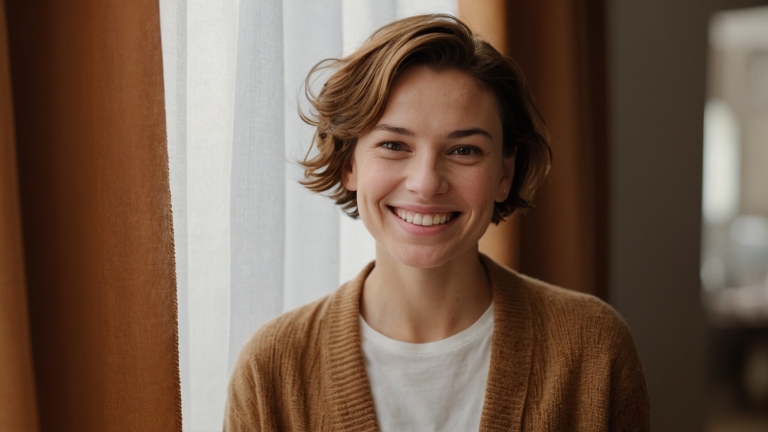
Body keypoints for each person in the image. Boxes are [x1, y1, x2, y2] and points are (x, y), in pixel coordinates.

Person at [224, 14, 649, 431]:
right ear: (348, 163)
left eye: (464, 151)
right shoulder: (271, 369)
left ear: (504, 174)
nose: (426, 184)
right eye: (394, 145)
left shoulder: (593, 348)